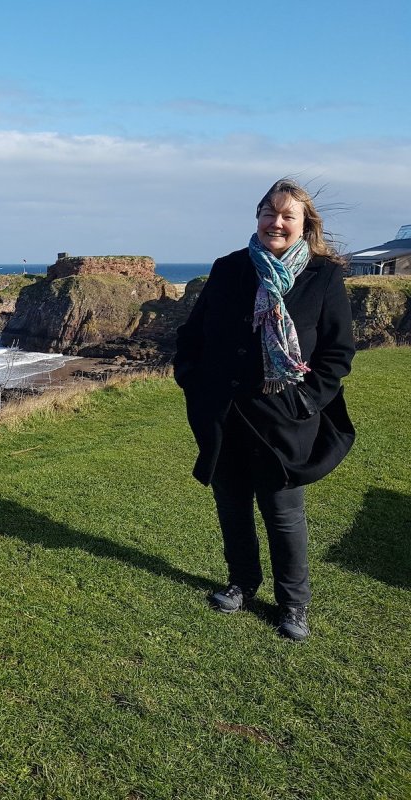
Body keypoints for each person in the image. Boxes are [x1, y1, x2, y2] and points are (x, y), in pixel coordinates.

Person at [173, 178, 355, 641]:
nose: (277, 221)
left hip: (284, 416)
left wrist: (306, 399)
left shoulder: (324, 276)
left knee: (283, 512)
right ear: (257, 217)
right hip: (224, 412)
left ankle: (293, 604)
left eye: (287, 215)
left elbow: (337, 353)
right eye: (269, 212)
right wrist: (191, 378)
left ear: (303, 224)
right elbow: (193, 334)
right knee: (231, 504)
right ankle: (241, 583)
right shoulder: (229, 268)